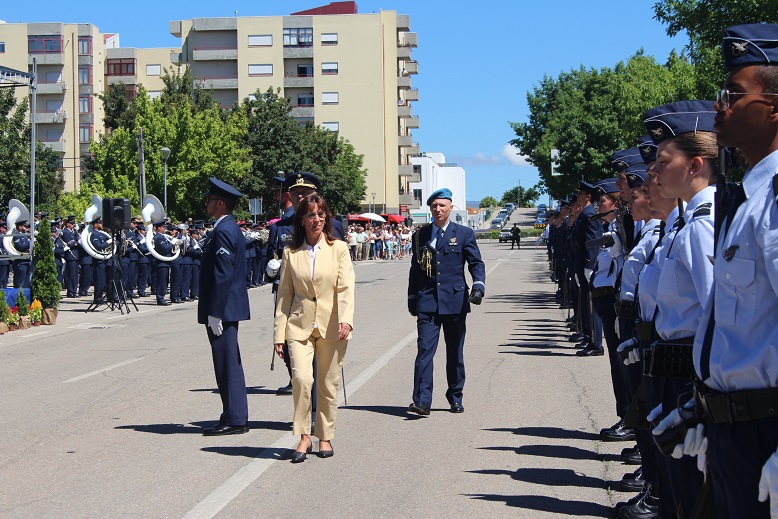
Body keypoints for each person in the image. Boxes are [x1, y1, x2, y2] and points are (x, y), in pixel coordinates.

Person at [656, 24, 778, 519]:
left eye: (734, 93)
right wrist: (704, 407)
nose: (720, 105)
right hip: (733, 430)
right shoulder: (747, 201)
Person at [273, 193, 354, 462]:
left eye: (321, 214)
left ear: (326, 218)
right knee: (301, 380)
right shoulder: (290, 253)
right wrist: (279, 333)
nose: (316, 219)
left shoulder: (338, 248)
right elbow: (284, 295)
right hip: (299, 326)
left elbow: (345, 287)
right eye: (310, 214)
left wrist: (346, 318)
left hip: (332, 326)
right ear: (302, 219)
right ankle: (304, 436)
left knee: (328, 384)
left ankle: (325, 437)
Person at [407, 188, 486, 415]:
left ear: (451, 207)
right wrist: (412, 297)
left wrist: (478, 286)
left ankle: (455, 395)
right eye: (434, 206)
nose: (438, 209)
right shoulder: (420, 235)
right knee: (424, 351)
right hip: (427, 301)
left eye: (442, 205)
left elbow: (476, 263)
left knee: (454, 352)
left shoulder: (463, 234)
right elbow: (416, 269)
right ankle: (422, 400)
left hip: (455, 300)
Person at [198, 177, 251, 436]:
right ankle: (233, 414)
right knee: (228, 363)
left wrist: (215, 313)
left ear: (220, 203)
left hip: (224, 309)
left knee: (227, 364)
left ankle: (235, 418)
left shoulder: (224, 230)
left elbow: (222, 274)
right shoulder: (227, 228)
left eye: (209, 199)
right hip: (226, 308)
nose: (206, 203)